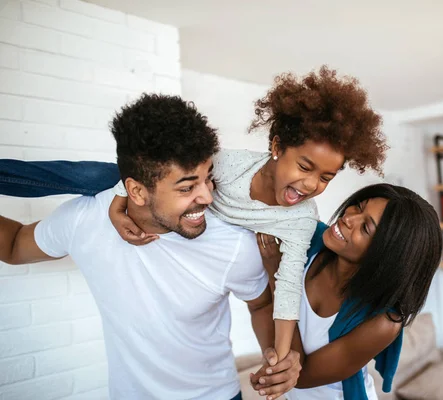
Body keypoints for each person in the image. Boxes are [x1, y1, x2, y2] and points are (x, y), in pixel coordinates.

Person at [0, 66, 388, 364]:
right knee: (94, 173)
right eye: (305, 167)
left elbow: (281, 292)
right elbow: (169, 175)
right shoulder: (228, 166)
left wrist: (282, 355)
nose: (311, 185)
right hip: (138, 195)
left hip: (209, 242)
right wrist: (118, 202)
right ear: (276, 146)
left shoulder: (296, 220)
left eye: (325, 178)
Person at [0, 94, 302, 400]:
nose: (208, 198)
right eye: (187, 187)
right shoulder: (85, 218)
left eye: (207, 179)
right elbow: (13, 245)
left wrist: (275, 356)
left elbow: (260, 304)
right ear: (136, 191)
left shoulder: (233, 243)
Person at [252, 184, 443, 400]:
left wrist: (278, 274)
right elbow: (261, 308)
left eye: (365, 228)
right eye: (359, 207)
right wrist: (272, 359)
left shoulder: (383, 322)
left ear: (387, 257)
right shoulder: (305, 239)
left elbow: (302, 377)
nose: (349, 218)